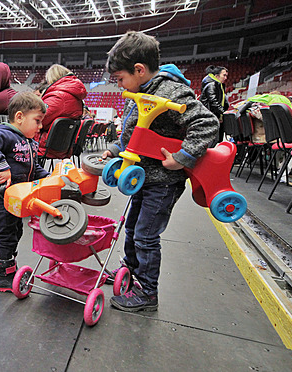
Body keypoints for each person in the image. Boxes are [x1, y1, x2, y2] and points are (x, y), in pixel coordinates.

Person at [102, 31, 218, 312]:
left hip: (163, 181)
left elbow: (208, 123)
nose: (119, 86)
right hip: (141, 177)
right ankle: (128, 272)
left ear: (139, 70)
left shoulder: (171, 91)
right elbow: (134, 133)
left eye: (120, 79)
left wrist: (182, 157)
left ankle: (147, 292)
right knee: (131, 229)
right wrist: (117, 150)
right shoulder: (139, 91)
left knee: (145, 236)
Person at [0, 91, 50, 292]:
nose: (40, 126)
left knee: (15, 232)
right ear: (19, 117)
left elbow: (33, 169)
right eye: (37, 120)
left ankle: (9, 265)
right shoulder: (4, 134)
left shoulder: (30, 142)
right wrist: (1, 164)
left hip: (15, 201)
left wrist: (50, 177)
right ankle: (3, 277)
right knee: (6, 236)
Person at [34, 64, 87, 156]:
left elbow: (39, 121)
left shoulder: (58, 97)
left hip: (46, 145)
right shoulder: (74, 96)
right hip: (63, 145)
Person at [199, 65, 229, 142]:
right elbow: (213, 102)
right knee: (212, 141)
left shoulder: (219, 86)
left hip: (215, 116)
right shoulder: (211, 85)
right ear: (216, 76)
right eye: (224, 75)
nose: (226, 78)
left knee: (216, 141)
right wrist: (223, 112)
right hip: (210, 117)